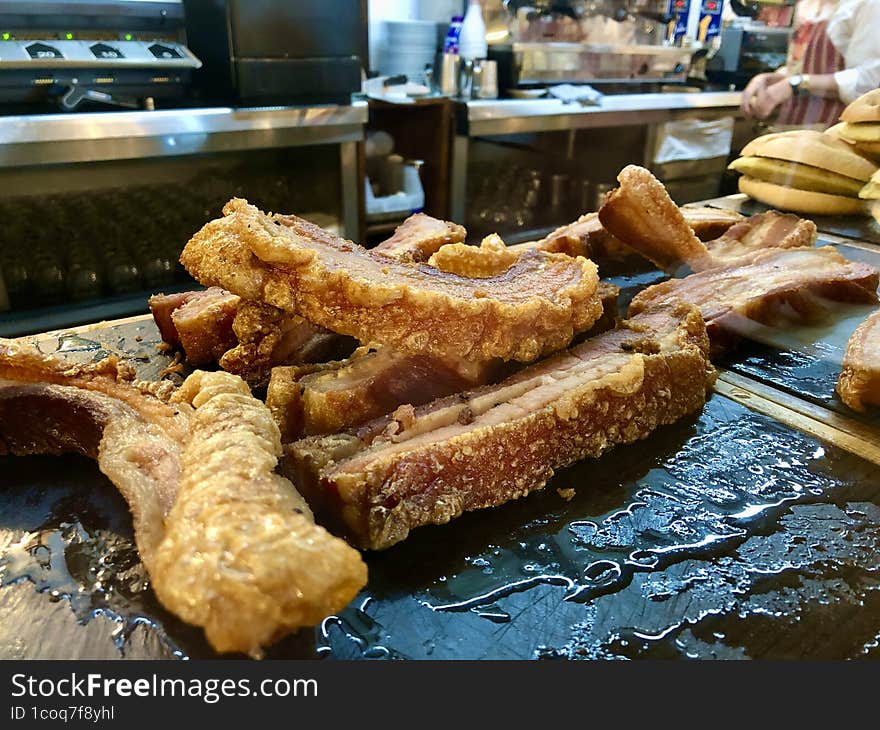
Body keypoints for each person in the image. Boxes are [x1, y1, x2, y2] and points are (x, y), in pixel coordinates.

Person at [741, 0, 880, 128]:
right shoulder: (807, 4)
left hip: (835, 133)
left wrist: (795, 84)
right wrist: (771, 79)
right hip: (794, 127)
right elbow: (803, 67)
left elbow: (866, 82)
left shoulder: (868, 4)